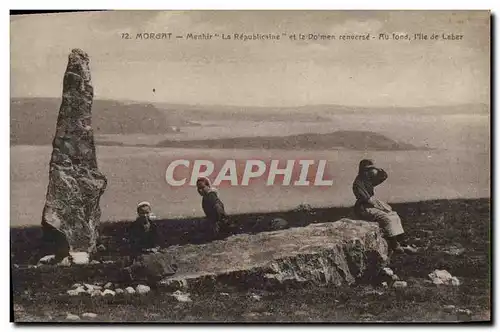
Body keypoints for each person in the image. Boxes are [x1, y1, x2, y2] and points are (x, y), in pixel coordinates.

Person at [352, 159, 416, 254]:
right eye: (368, 170)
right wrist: (381, 207)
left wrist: (378, 169)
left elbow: (383, 177)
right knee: (385, 218)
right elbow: (367, 199)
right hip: (363, 208)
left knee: (394, 215)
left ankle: (403, 243)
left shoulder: (367, 180)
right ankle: (395, 245)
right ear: (363, 171)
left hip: (370, 205)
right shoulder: (358, 183)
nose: (370, 172)